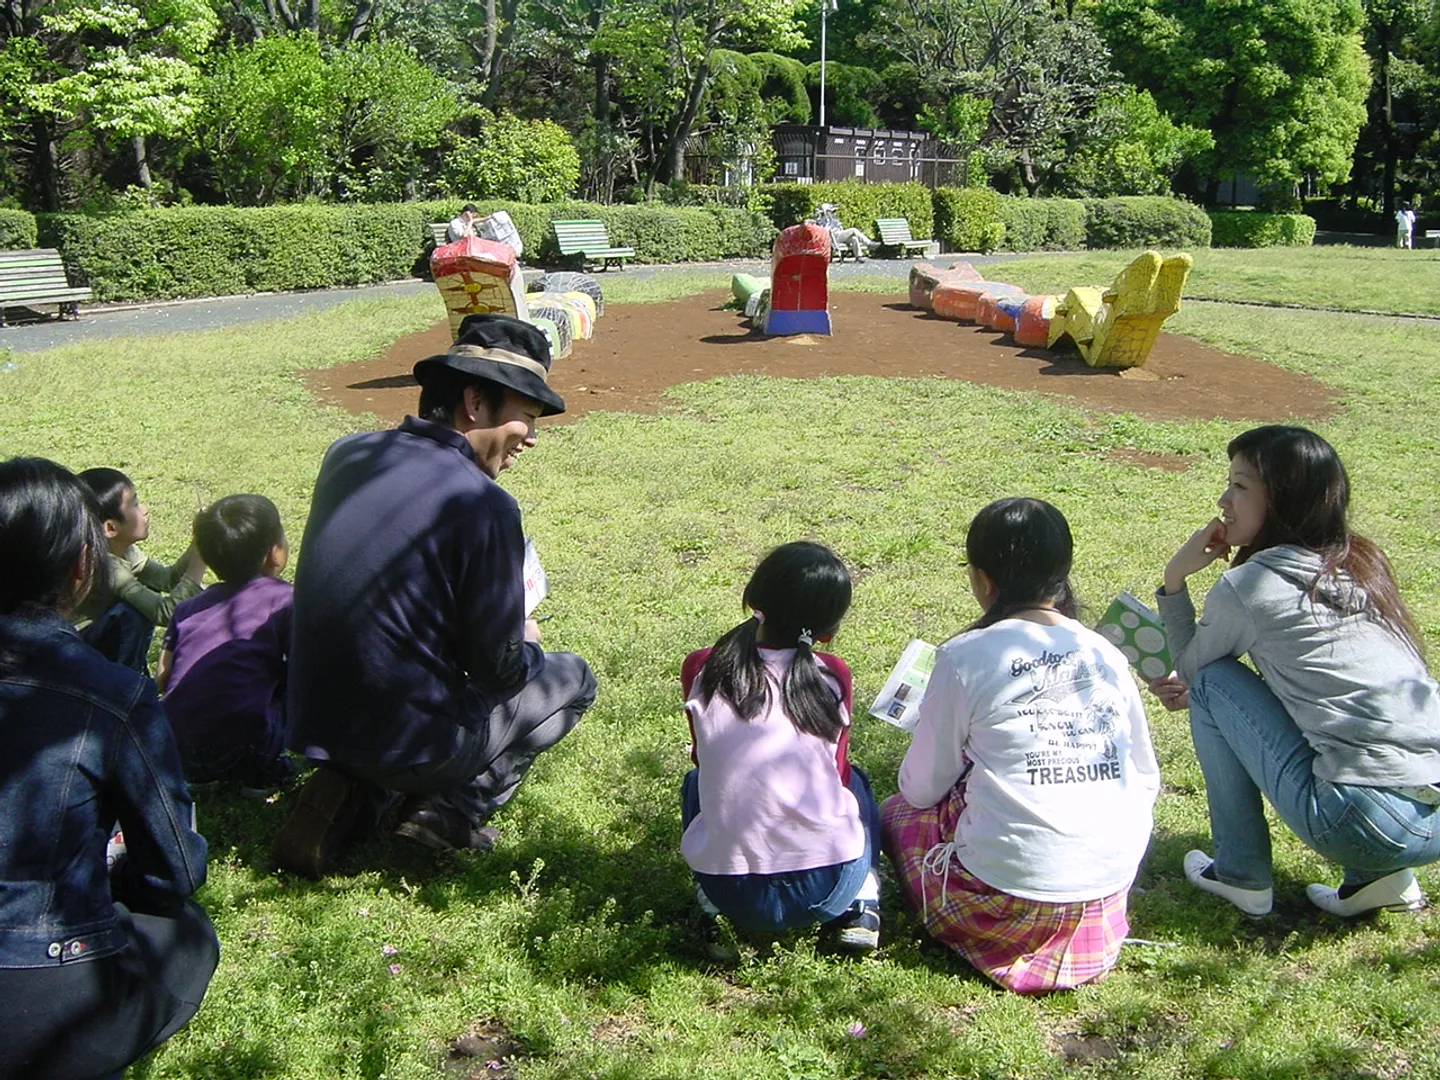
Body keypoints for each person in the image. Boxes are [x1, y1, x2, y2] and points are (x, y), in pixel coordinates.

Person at [275, 314, 597, 877]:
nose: (534, 437)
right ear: (475, 401)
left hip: (312, 721)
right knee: (572, 679)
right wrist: (526, 643)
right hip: (410, 740)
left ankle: (354, 789)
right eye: (526, 416)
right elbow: (496, 670)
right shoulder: (484, 503)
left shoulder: (346, 454)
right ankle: (449, 807)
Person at [1151, 425, 1440, 918]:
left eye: (1240, 486)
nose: (1224, 499)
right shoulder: (1361, 567)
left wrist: (1175, 581)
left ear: (1282, 500)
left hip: (1362, 821)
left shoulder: (1252, 583)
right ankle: (1381, 881)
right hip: (1433, 822)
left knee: (1216, 682)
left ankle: (1240, 873)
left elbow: (1196, 673)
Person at [882, 498, 1159, 993]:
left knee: (897, 816)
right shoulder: (1106, 654)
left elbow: (921, 790)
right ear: (1062, 574)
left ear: (984, 580)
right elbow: (1144, 777)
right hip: (1101, 897)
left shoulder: (964, 656)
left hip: (1004, 897)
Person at [0, 456, 218, 1080]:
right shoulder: (115, 696)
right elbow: (175, 869)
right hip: (46, 993)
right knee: (189, 933)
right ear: (79, 567)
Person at [680, 541, 882, 954]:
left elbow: (704, 757)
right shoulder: (833, 675)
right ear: (828, 631)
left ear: (753, 597)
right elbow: (837, 774)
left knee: (695, 781)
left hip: (729, 891)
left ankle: (711, 912)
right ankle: (863, 902)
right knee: (856, 782)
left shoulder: (702, 667)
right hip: (827, 890)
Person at [156, 494, 294, 795]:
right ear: (274, 553)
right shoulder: (285, 600)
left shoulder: (187, 608)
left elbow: (163, 676)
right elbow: (305, 665)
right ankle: (265, 774)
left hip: (179, 749)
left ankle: (202, 777)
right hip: (250, 746)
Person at [70, 467, 206, 672]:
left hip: (92, 645)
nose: (144, 510)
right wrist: (199, 562)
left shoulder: (121, 551)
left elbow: (166, 580)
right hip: (79, 652)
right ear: (110, 528)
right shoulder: (106, 565)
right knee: (131, 614)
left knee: (142, 597)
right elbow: (165, 613)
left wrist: (199, 541)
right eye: (134, 504)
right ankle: (124, 682)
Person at [811, 202, 878, 261]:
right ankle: (869, 243)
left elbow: (839, 227)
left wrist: (837, 224)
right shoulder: (821, 220)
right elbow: (825, 230)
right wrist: (829, 223)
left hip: (839, 235)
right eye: (831, 211)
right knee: (853, 230)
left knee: (854, 238)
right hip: (834, 236)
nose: (833, 213)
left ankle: (858, 256)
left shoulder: (832, 218)